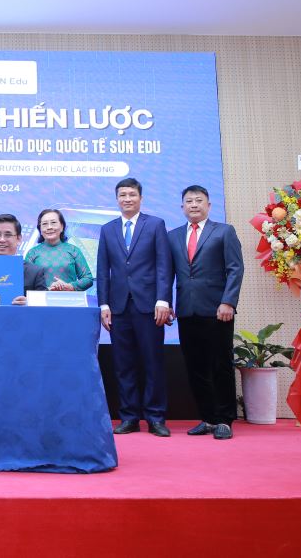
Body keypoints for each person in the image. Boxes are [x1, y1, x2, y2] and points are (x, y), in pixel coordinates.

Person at [96, 178, 173, 437]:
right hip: (118, 307)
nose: (127, 199)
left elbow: (163, 265)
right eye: (122, 195)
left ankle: (155, 417)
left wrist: (163, 300)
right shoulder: (107, 229)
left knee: (152, 363)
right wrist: (104, 304)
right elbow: (103, 270)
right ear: (117, 199)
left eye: (132, 194)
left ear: (140, 198)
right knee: (123, 365)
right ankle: (129, 417)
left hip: (149, 305)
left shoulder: (155, 224)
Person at [168, 185, 244, 441]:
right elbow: (167, 273)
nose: (194, 205)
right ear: (182, 207)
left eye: (199, 200)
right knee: (195, 366)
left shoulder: (224, 231)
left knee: (220, 364)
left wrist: (228, 302)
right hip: (186, 310)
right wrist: (166, 302)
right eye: (189, 201)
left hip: (217, 310)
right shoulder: (173, 236)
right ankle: (208, 417)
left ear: (208, 205)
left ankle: (224, 419)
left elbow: (235, 269)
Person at [25, 208, 94, 292]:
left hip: (69, 299)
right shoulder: (32, 253)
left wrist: (70, 286)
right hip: (41, 299)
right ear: (40, 230)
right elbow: (26, 283)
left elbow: (88, 278)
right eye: (44, 224)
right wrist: (47, 290)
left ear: (62, 227)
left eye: (53, 223)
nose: (49, 227)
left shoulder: (73, 250)